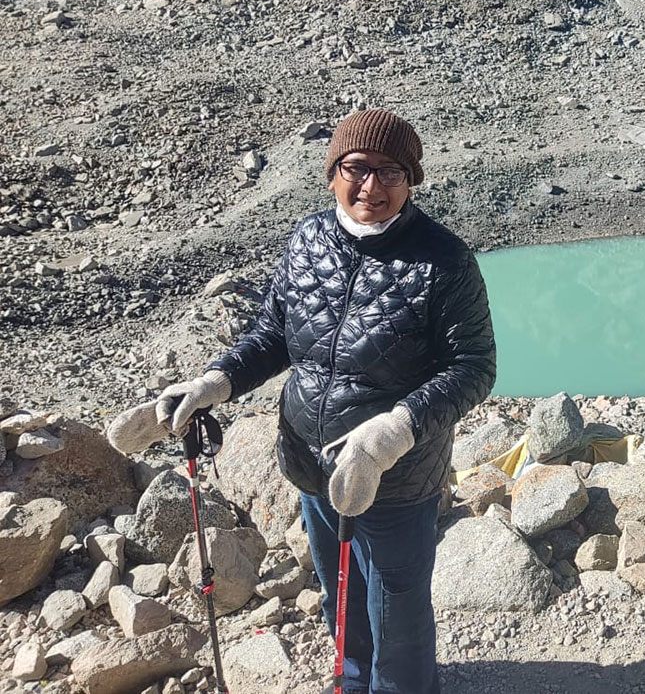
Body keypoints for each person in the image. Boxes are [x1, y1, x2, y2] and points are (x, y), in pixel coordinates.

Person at [152, 108, 496, 694]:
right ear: (332, 172)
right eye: (357, 168)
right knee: (340, 586)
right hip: (314, 463)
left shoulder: (445, 260)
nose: (372, 187)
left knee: (397, 604)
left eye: (391, 172)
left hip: (397, 472)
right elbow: (273, 336)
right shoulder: (308, 240)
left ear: (411, 180)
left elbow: (474, 368)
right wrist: (215, 380)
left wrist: (395, 430)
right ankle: (353, 679)